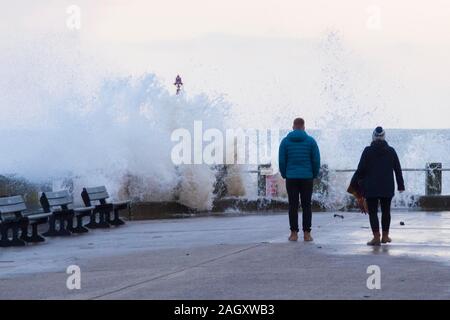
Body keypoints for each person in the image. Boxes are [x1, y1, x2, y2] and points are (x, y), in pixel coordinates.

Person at [351, 126, 405, 246]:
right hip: (387, 186)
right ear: (384, 137)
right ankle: (385, 237)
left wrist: (354, 187)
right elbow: (397, 169)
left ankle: (376, 237)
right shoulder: (391, 151)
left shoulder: (367, 151)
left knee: (373, 212)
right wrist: (400, 185)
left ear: (373, 137)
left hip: (371, 187)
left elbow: (360, 170)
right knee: (386, 211)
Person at [279, 118, 321, 242]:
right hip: (307, 178)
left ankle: (293, 234)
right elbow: (316, 160)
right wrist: (313, 174)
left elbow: (282, 161)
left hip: (291, 178)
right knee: (307, 205)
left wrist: (284, 174)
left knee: (293, 205)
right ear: (303, 127)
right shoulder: (311, 141)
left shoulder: (285, 142)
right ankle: (307, 234)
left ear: (293, 127)